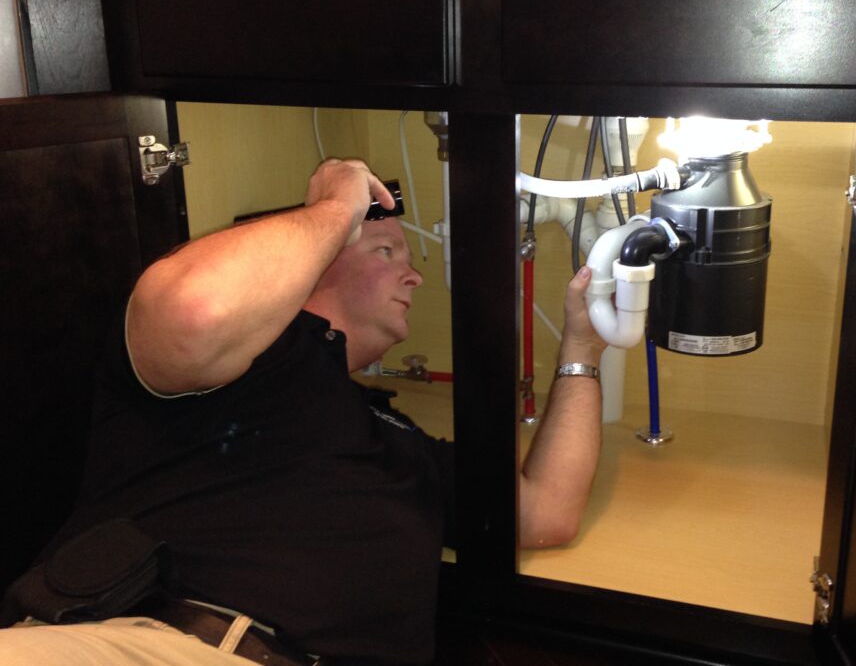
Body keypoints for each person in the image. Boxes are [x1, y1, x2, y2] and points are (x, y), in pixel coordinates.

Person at [0, 158, 606, 666]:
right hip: (142, 643)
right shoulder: (227, 370)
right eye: (386, 249)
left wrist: (582, 346)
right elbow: (198, 310)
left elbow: (546, 511)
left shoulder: (395, 440)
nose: (414, 275)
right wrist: (337, 203)